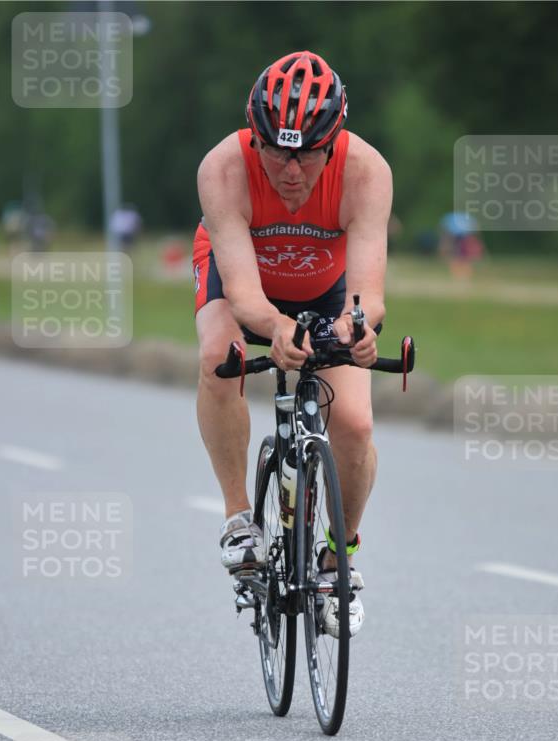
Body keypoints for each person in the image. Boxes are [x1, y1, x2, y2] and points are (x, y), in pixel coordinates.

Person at [193, 50, 392, 636]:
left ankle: (339, 556)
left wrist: (357, 331)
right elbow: (245, 294)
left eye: (306, 153)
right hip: (243, 283)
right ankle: (237, 517)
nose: (290, 169)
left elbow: (369, 294)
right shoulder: (222, 169)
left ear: (334, 141)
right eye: (276, 150)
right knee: (217, 357)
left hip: (329, 291)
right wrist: (277, 328)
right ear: (255, 137)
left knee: (353, 423)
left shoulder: (367, 172)